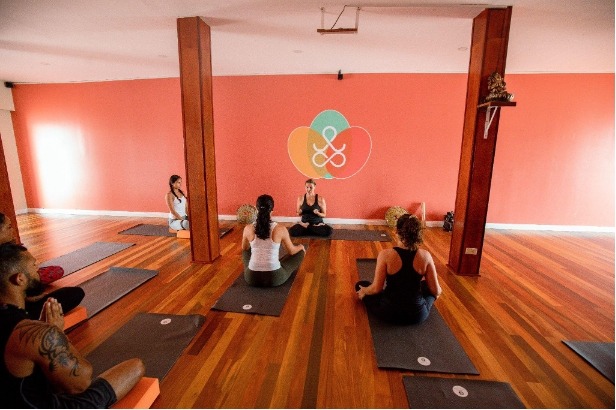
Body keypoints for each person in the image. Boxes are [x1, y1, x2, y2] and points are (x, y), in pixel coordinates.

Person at [0, 242, 145, 408]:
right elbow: (80, 383)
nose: (38, 270)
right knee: (135, 366)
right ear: (20, 279)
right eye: (34, 266)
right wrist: (55, 331)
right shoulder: (35, 334)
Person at [355, 214, 442, 325]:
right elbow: (436, 291)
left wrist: (364, 291)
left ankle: (366, 296)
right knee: (427, 287)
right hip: (417, 315)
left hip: (388, 313)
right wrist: (436, 292)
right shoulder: (426, 256)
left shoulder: (385, 255)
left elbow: (376, 289)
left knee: (360, 285)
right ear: (416, 234)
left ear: (396, 232)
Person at [0, 213, 84, 320]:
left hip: (19, 297)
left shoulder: (9, 249)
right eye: (9, 227)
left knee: (73, 291)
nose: (12, 230)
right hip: (15, 307)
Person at [242, 194, 306, 287]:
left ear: (257, 209)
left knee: (245, 251)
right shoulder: (280, 229)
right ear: (272, 210)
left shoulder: (248, 228)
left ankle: (255, 266)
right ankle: (275, 264)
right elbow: (292, 252)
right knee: (300, 253)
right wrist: (301, 247)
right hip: (275, 278)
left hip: (251, 278)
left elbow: (244, 248)